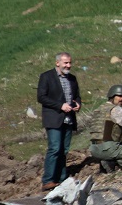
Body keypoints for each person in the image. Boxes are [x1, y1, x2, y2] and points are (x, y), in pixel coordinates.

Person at [37, 52, 81, 191]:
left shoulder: (72, 78)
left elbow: (77, 95)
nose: (69, 65)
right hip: (54, 118)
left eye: (69, 62)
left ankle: (62, 178)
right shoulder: (46, 77)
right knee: (55, 148)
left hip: (69, 119)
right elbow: (41, 97)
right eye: (65, 63)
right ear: (57, 63)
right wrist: (60, 105)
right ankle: (48, 179)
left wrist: (78, 104)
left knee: (64, 149)